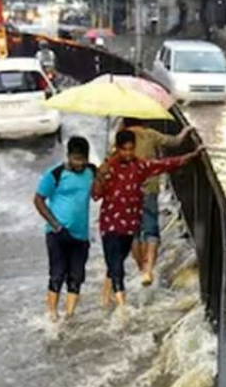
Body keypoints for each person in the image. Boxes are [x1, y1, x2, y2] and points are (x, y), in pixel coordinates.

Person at [93, 130, 204, 311]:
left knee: (116, 262)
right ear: (117, 148)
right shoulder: (108, 168)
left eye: (131, 149)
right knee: (115, 263)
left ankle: (106, 298)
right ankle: (122, 308)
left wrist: (190, 156)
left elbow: (164, 164)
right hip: (110, 224)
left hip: (129, 224)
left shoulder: (140, 166)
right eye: (124, 150)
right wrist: (99, 177)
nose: (128, 153)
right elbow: (95, 194)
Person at [120, 118, 195, 286]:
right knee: (151, 229)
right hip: (149, 189)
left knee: (134, 233)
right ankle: (148, 270)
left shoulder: (121, 138)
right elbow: (174, 142)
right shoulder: (150, 135)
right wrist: (186, 131)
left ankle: (141, 268)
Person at [33, 136, 95, 323]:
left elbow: (99, 191)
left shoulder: (91, 172)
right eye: (76, 159)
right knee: (57, 274)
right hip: (57, 234)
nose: (80, 163)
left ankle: (69, 316)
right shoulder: (55, 174)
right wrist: (56, 225)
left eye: (83, 159)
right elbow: (38, 200)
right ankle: (52, 315)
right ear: (68, 156)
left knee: (76, 276)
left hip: (81, 234)